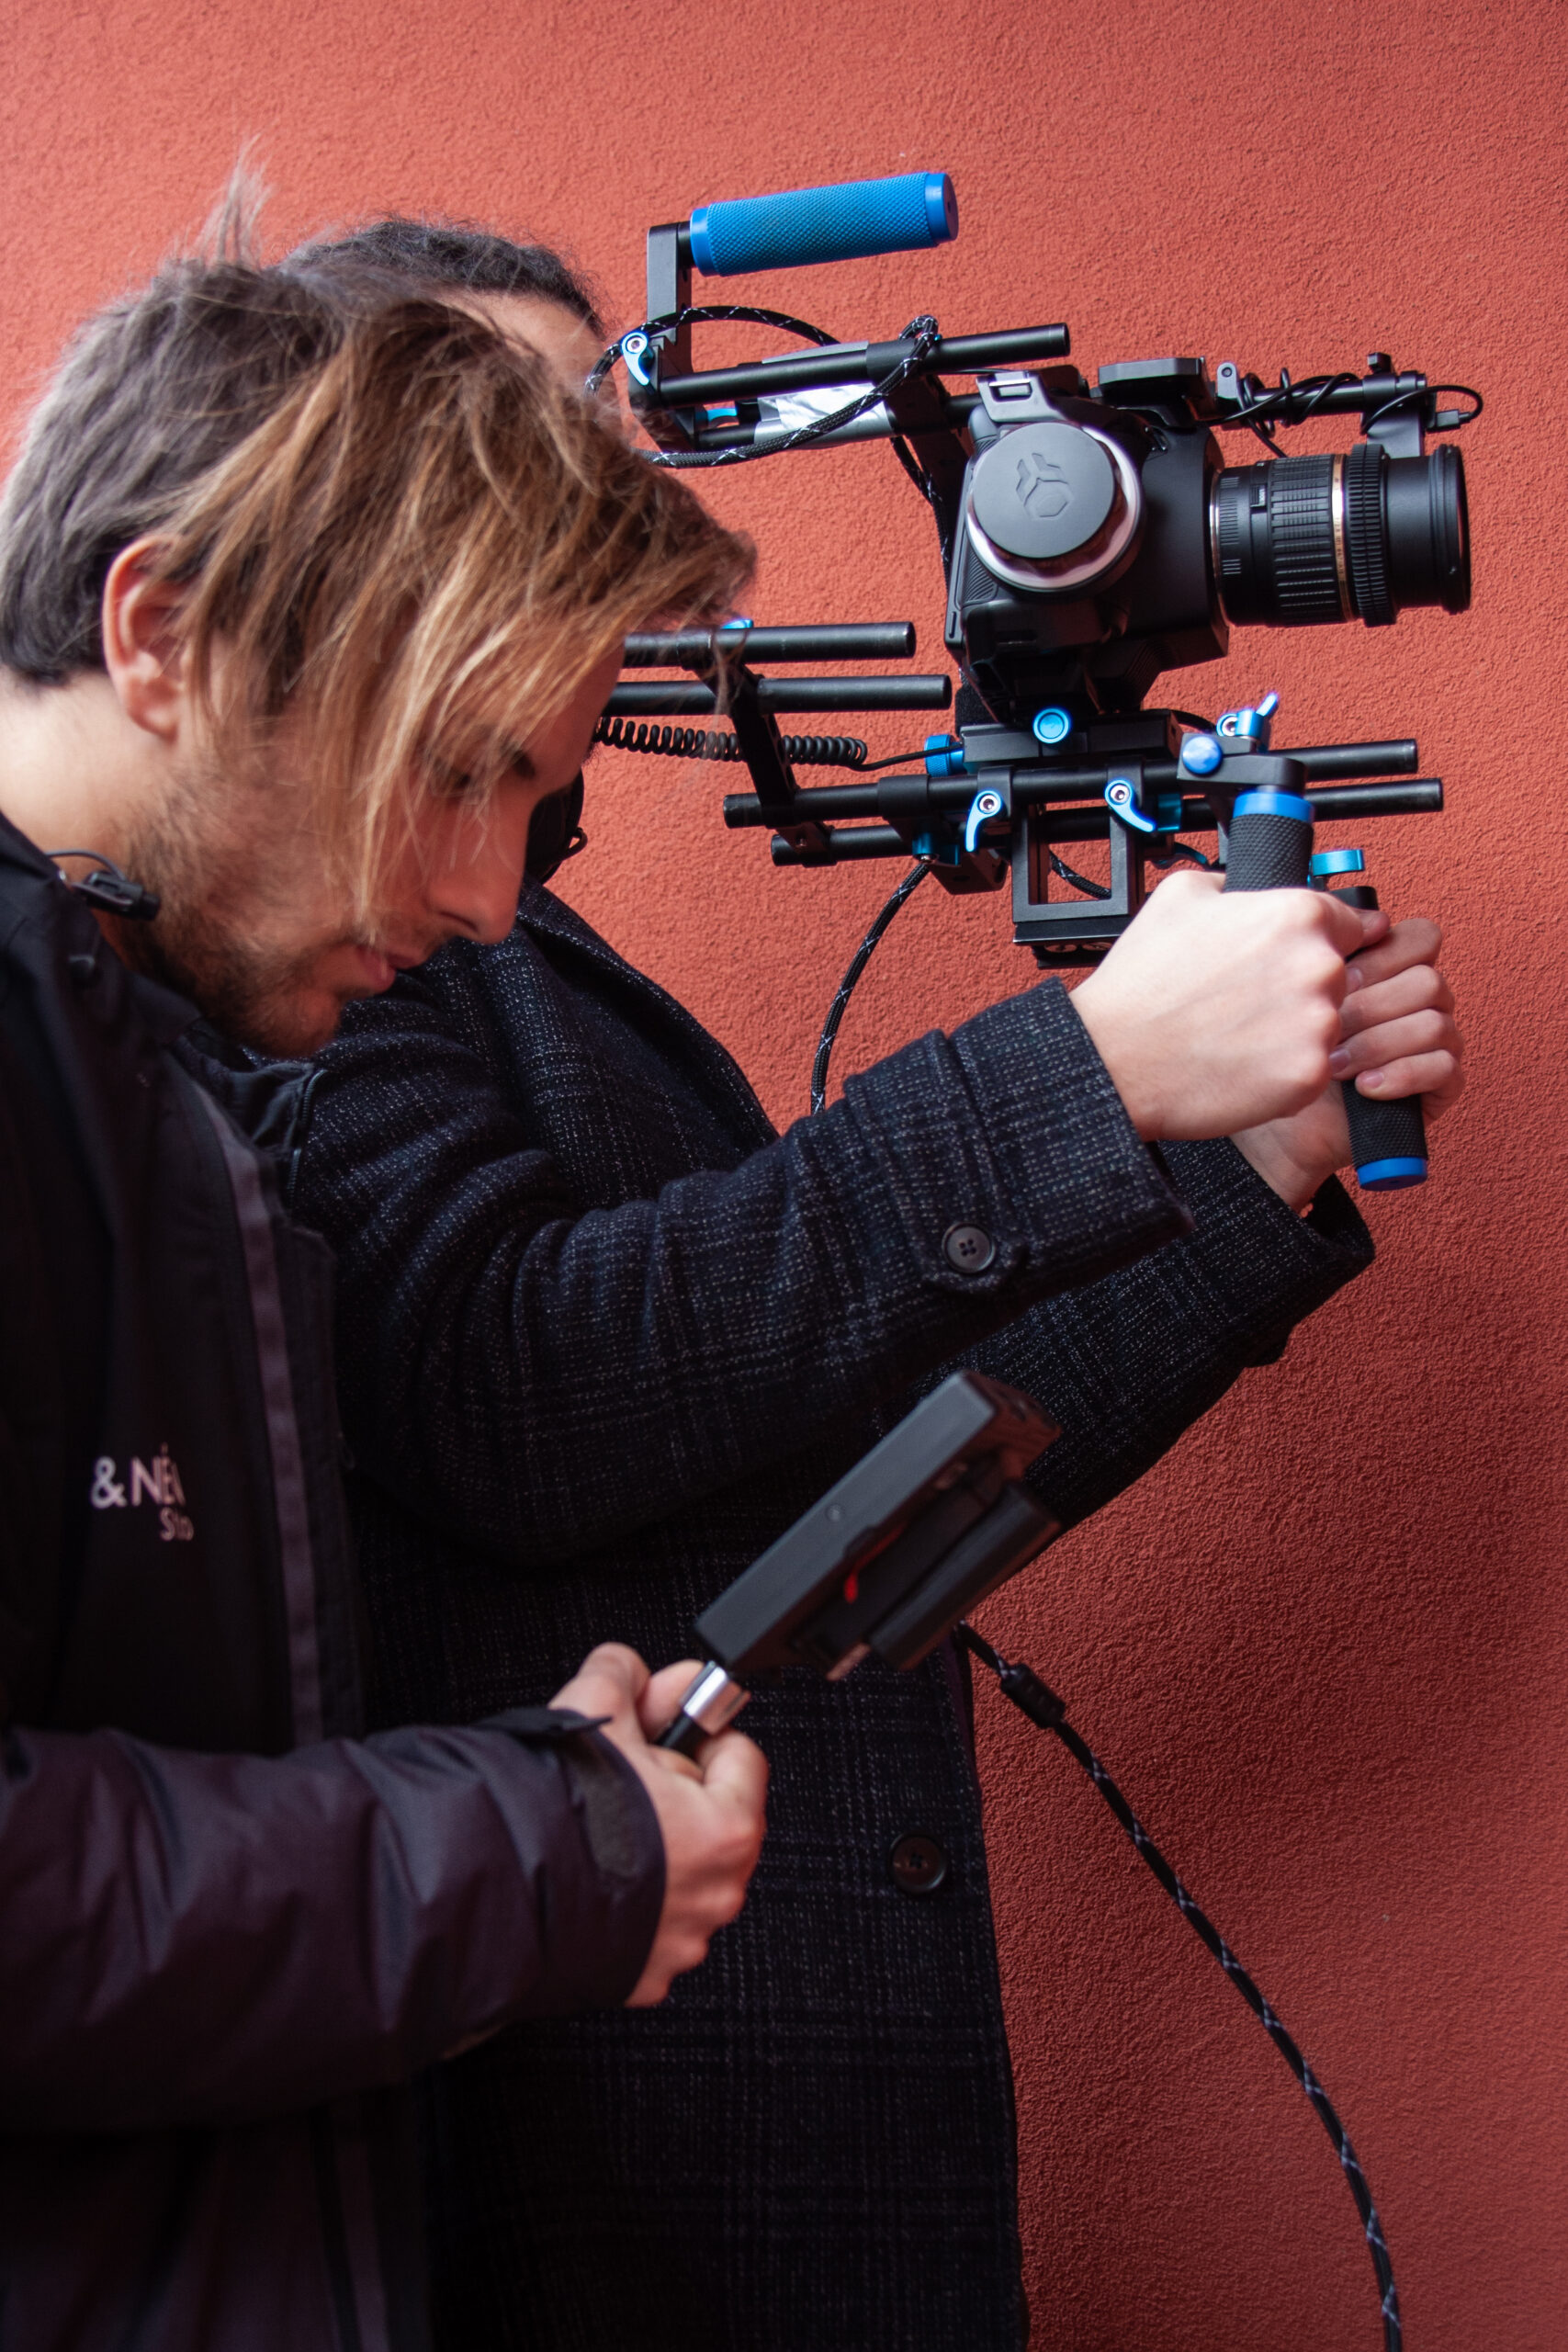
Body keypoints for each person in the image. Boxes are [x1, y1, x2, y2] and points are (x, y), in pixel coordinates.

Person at [277, 221, 1466, 2351]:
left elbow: (845, 1483)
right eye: (512, 442)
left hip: (806, 2157)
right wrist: (1088, 1065)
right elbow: (515, 1377)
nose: (593, 504)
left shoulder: (534, 970)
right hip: (581, 2162)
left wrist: (1245, 1186)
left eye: (598, 444)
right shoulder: (301, 949)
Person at [0, 237, 769, 2352]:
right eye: (452, 767)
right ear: (164, 627)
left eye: (529, 797)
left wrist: (546, 1786)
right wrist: (538, 1851)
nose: (486, 892)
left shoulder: (150, 1067)